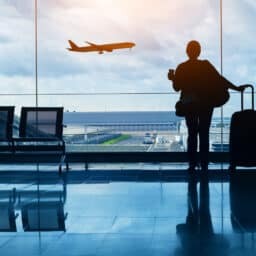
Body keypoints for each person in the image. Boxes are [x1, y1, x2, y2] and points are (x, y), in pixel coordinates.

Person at [168, 40, 246, 171]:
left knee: (192, 134)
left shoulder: (182, 67)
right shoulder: (205, 65)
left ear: (187, 51)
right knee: (204, 134)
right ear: (199, 52)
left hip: (189, 105)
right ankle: (204, 164)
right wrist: (236, 88)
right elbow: (220, 80)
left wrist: (172, 78)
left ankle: (192, 164)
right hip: (205, 104)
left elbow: (177, 88)